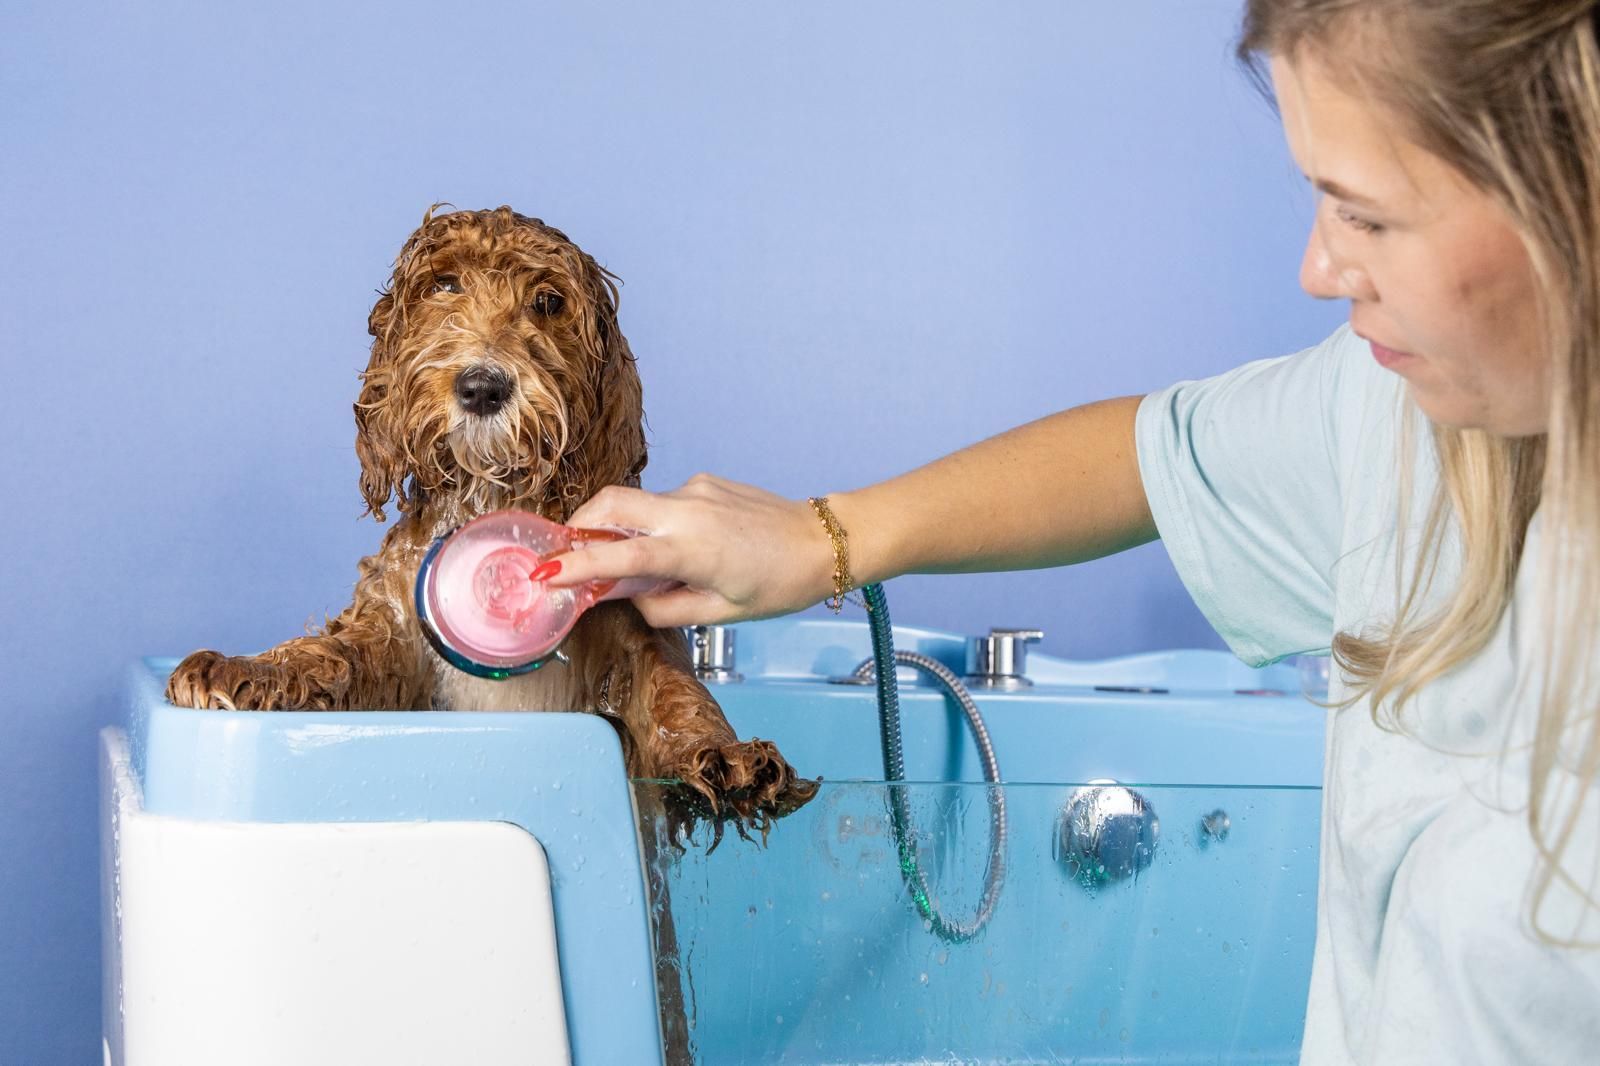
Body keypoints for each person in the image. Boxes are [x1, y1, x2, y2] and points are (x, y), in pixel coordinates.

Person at [548, 1, 1600, 1060]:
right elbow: (1151, 458)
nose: (1318, 271)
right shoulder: (1402, 414)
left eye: (1367, 217)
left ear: (1572, 192)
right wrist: (828, 537)